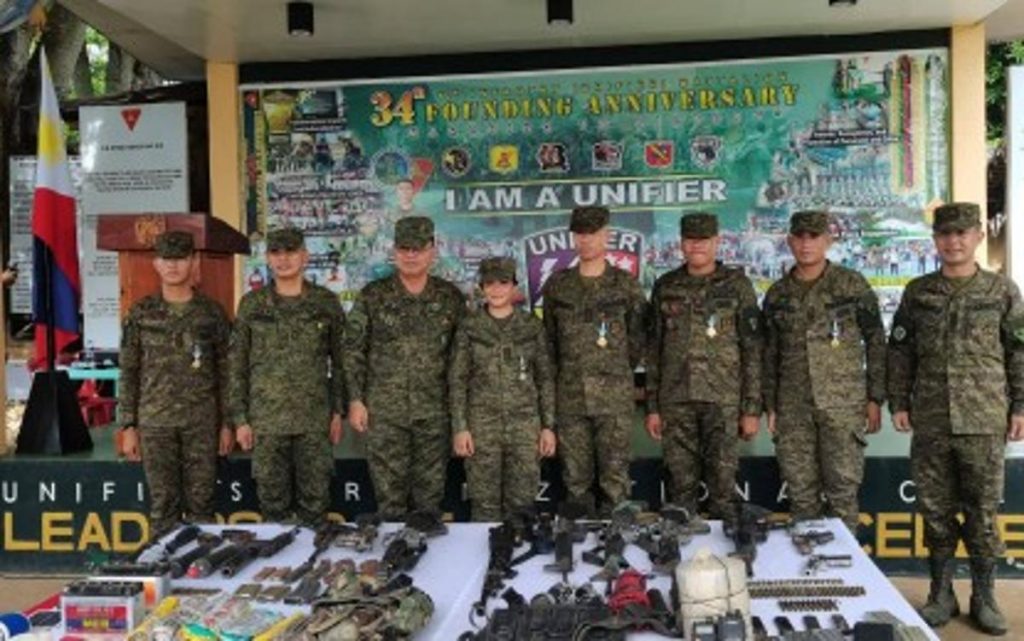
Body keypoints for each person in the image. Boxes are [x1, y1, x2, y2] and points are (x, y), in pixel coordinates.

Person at [888, 202, 1024, 635]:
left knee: (982, 513)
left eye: (963, 233)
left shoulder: (1003, 292)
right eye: (946, 234)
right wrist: (899, 402)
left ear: (978, 237)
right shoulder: (918, 292)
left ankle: (984, 596)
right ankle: (940, 592)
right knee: (936, 513)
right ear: (936, 240)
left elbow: (1018, 351)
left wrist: (1020, 405)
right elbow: (900, 351)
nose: (954, 241)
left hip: (984, 419)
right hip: (931, 418)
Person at [762, 210, 886, 532]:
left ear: (828, 241)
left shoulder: (851, 285)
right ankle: (810, 572)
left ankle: (844, 574)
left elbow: (876, 341)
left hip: (843, 405)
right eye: (799, 237)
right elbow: (769, 354)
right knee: (801, 496)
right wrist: (770, 404)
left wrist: (875, 397)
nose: (806, 244)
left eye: (814, 237)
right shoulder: (778, 295)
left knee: (842, 494)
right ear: (789, 241)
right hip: (793, 407)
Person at [344, 216, 466, 519]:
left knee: (429, 502)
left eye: (418, 248)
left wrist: (459, 413)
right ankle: (394, 561)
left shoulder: (450, 298)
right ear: (394, 251)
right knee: (390, 502)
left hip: (434, 413)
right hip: (385, 414)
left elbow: (462, 360)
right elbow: (353, 350)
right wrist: (356, 399)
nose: (410, 255)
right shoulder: (373, 295)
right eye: (404, 248)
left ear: (432, 251)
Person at [645, 212, 763, 519]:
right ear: (681, 244)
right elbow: (654, 350)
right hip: (676, 400)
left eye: (703, 240)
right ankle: (682, 559)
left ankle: (724, 562)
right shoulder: (666, 286)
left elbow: (752, 349)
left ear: (716, 242)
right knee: (680, 488)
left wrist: (751, 408)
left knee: (723, 487)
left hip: (723, 400)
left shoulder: (737, 285)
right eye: (690, 240)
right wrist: (653, 406)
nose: (696, 246)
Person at [228, 227, 345, 524]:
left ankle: (311, 567)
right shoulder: (252, 305)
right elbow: (237, 364)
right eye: (276, 253)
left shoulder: (325, 303)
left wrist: (337, 411)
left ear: (304, 257)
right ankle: (278, 568)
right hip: (267, 423)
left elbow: (341, 362)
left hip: (313, 421)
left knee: (315, 507)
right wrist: (240, 418)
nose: (284, 260)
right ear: (267, 259)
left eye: (291, 252)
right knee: (272, 508)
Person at [118, 231, 232, 532]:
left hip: (202, 422)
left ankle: (199, 575)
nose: (173, 266)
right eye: (166, 259)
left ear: (193, 262)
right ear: (156, 263)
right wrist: (128, 425)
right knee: (163, 505)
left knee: (202, 504)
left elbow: (226, 371)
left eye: (180, 258)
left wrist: (227, 423)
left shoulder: (211, 314)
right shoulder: (141, 314)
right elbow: (129, 370)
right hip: (156, 422)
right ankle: (165, 571)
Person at [541, 206, 647, 516]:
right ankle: (577, 554)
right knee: (576, 483)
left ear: (606, 236)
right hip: (571, 398)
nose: (586, 240)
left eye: (593, 234)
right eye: (580, 234)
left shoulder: (625, 285)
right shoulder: (559, 286)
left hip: (613, 399)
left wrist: (614, 370)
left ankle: (616, 549)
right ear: (574, 237)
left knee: (615, 483)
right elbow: (549, 341)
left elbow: (638, 337)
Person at [448, 257, 557, 521]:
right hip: (481, 427)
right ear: (481, 288)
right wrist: (460, 427)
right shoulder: (469, 327)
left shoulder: (532, 326)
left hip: (524, 428)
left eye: (503, 283)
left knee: (521, 506)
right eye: (490, 284)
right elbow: (458, 379)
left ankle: (518, 557)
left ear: (514, 287)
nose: (496, 290)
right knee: (484, 507)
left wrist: (548, 427)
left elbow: (545, 378)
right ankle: (487, 561)